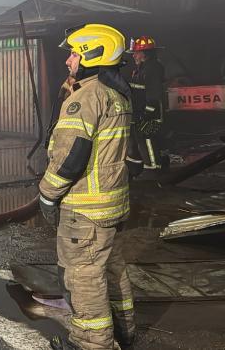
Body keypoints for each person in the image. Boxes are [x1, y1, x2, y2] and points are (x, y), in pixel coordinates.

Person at [38, 24, 135, 350]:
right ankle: (124, 333)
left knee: (83, 278)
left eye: (74, 53)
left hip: (85, 208)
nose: (68, 60)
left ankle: (90, 344)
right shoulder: (115, 94)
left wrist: (47, 195)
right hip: (111, 203)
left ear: (93, 54)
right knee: (111, 270)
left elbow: (71, 156)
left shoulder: (87, 97)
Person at [126, 36, 167, 172]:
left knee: (147, 140)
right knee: (137, 141)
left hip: (150, 114)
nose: (133, 56)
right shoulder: (141, 68)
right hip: (139, 113)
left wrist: (147, 114)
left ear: (145, 53)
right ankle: (135, 168)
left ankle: (153, 170)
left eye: (136, 53)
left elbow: (154, 94)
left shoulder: (153, 69)